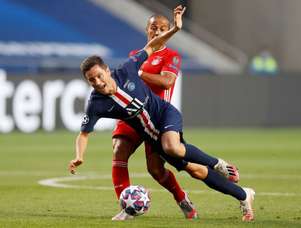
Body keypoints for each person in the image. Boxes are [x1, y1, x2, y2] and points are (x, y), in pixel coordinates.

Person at [68, 5, 255, 222]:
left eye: (100, 76)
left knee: (171, 148)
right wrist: (79, 157)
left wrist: (176, 29)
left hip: (164, 114)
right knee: (192, 170)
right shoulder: (96, 103)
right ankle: (244, 195)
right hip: (145, 128)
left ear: (107, 70)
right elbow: (83, 134)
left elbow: (161, 69)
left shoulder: (130, 67)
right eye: (92, 80)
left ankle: (218, 164)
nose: (98, 82)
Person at [111, 13, 239, 220]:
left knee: (155, 170)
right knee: (119, 151)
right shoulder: (135, 54)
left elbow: (166, 82)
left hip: (157, 119)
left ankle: (181, 197)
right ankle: (126, 208)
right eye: (154, 27)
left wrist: (140, 74)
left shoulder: (172, 56)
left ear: (167, 31)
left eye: (162, 28)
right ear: (147, 29)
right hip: (133, 114)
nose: (158, 31)